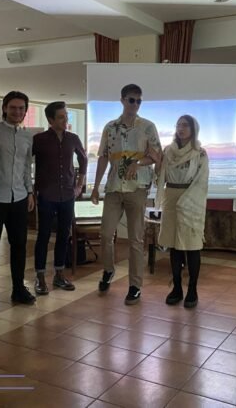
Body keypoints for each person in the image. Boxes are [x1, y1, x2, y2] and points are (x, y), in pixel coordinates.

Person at [91, 84, 161, 305]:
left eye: (139, 101)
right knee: (105, 234)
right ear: (122, 100)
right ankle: (108, 270)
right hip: (113, 187)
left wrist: (138, 163)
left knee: (135, 239)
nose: (135, 104)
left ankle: (135, 286)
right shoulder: (110, 127)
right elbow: (103, 156)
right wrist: (95, 186)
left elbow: (157, 156)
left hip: (137, 188)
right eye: (132, 100)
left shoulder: (148, 127)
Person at [154, 115, 209, 309]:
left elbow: (202, 181)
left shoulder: (200, 153)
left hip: (191, 201)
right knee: (174, 246)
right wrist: (156, 165)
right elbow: (160, 176)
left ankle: (192, 289)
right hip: (171, 198)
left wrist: (186, 201)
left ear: (193, 129)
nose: (181, 128)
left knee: (192, 246)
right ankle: (176, 288)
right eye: (178, 125)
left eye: (185, 125)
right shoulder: (168, 151)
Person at [32, 101, 88, 295]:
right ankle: (40, 277)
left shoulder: (73, 138)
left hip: (67, 195)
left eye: (66, 116)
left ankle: (59, 274)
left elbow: (83, 159)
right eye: (61, 117)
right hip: (46, 195)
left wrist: (79, 185)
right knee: (44, 236)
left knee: (64, 235)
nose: (65, 120)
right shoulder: (39, 139)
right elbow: (24, 160)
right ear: (50, 119)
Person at [0, 91, 36, 306]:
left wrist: (29, 192)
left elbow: (26, 167)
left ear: (25, 111)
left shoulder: (27, 136)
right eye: (13, 107)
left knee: (19, 245)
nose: (17, 112)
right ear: (5, 108)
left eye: (21, 108)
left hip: (19, 198)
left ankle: (18, 289)